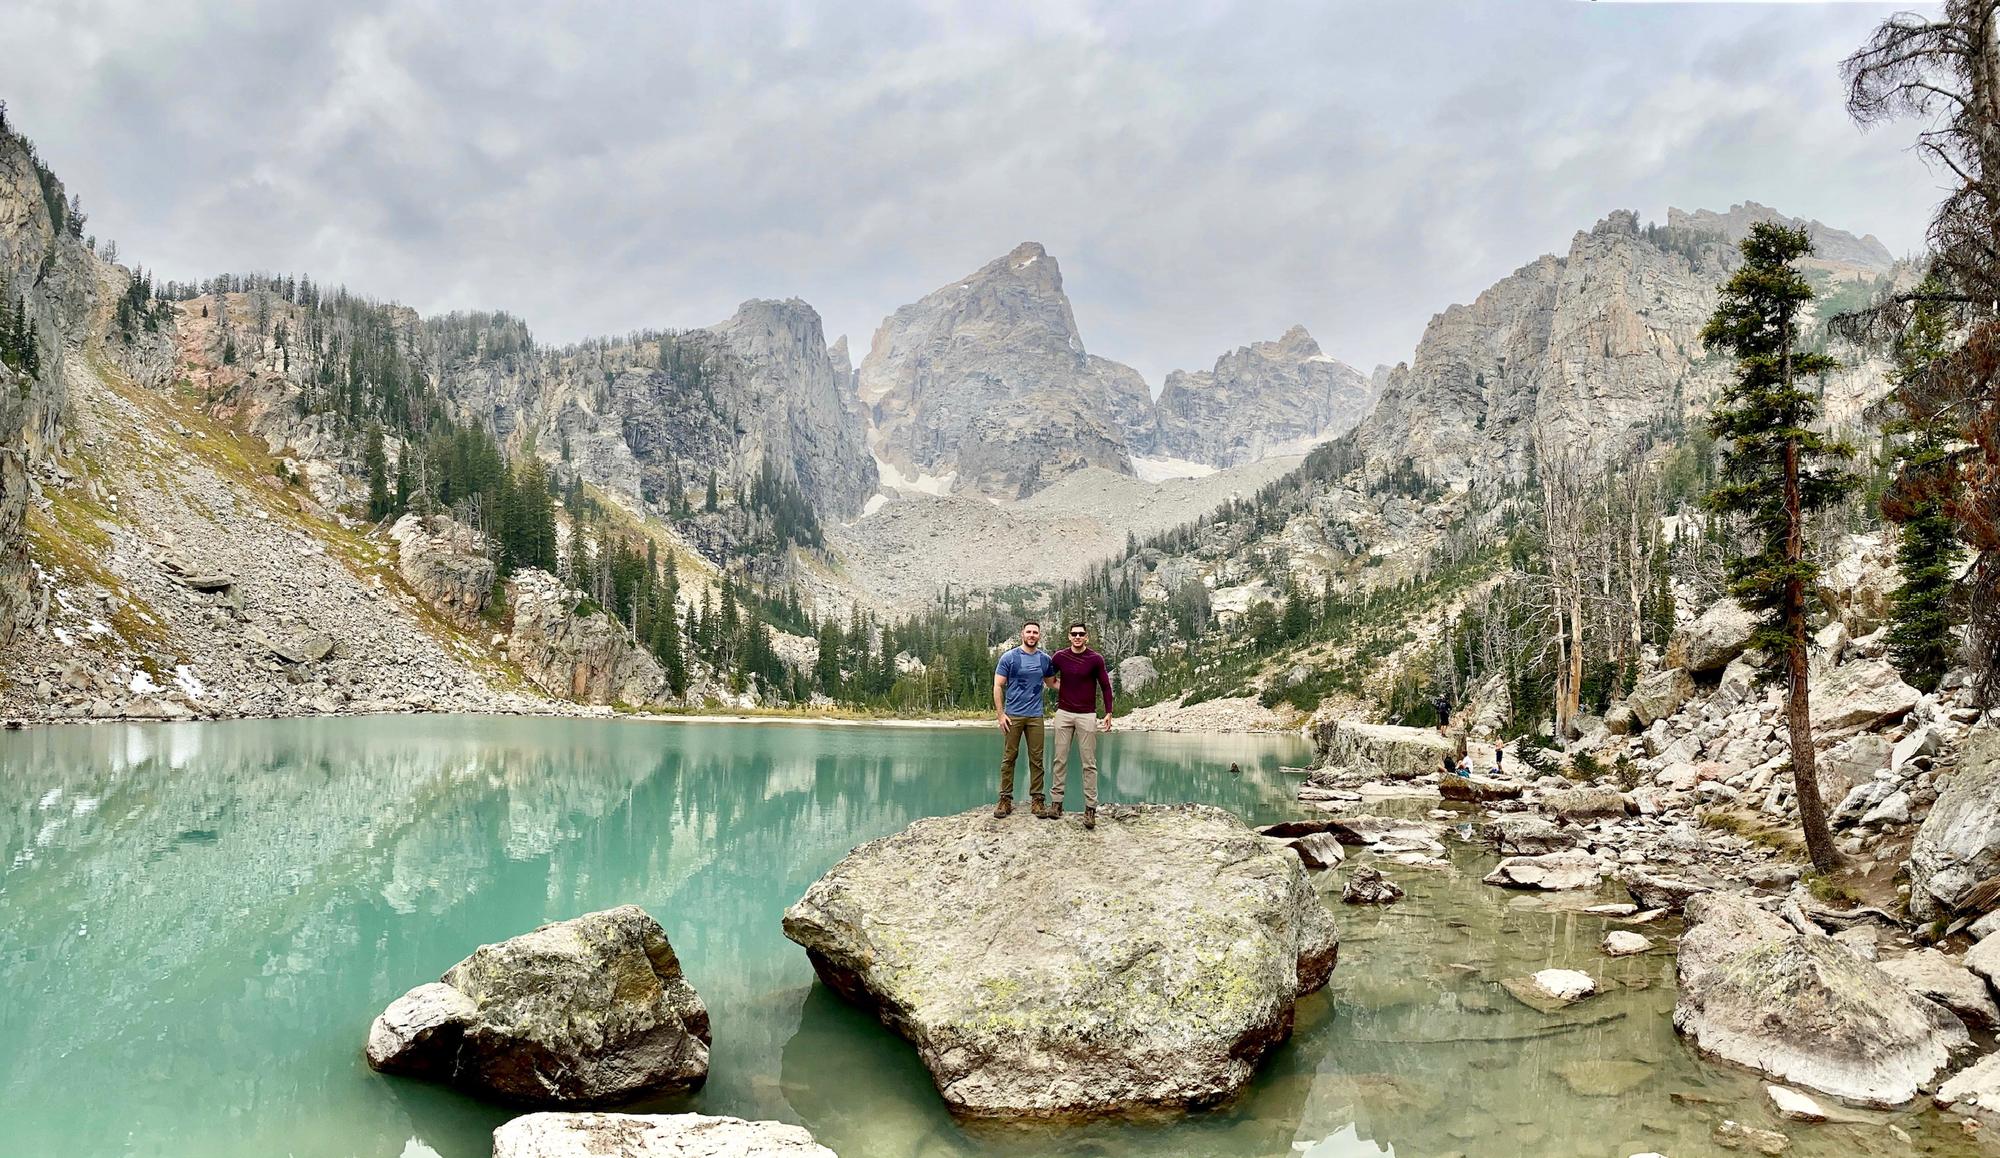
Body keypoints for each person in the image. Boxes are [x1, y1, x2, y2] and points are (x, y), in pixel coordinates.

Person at [1046, 621, 1114, 830]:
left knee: (1089, 763)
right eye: (1074, 634)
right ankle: (1056, 803)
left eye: (1081, 634)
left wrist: (1109, 712)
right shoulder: (1060, 657)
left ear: (1086, 637)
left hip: (1087, 715)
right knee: (1059, 759)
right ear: (1069, 636)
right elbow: (1048, 677)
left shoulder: (1095, 659)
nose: (1077, 637)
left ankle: (1090, 809)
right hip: (1064, 713)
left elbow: (1105, 686)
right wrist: (1061, 687)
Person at [992, 619, 1056, 818]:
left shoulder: (1044, 659)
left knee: (1037, 759)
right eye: (1028, 632)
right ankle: (1005, 799)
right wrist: (1001, 715)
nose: (1032, 635)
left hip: (1035, 716)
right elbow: (998, 685)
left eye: (1035, 632)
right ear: (1022, 634)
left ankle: (1037, 800)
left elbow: (1052, 683)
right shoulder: (1009, 657)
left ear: (1039, 635)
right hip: (1013, 716)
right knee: (1009, 757)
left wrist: (1079, 687)